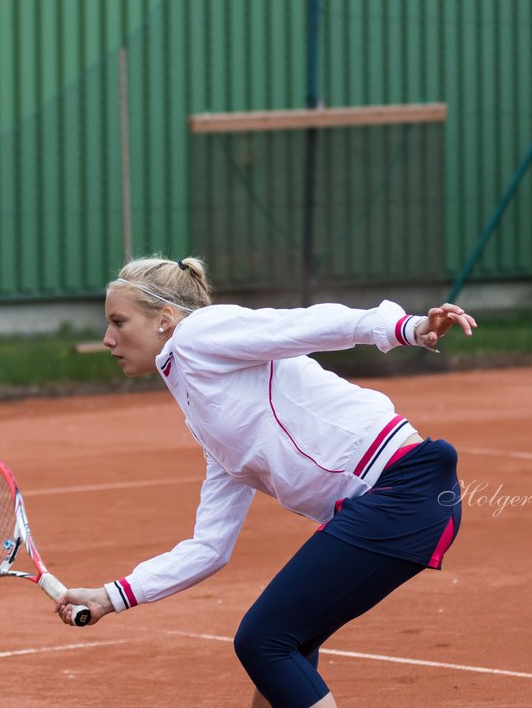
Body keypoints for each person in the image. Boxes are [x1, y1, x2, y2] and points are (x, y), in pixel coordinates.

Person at [57, 256, 477, 708]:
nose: (107, 339)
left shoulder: (200, 333)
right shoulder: (206, 414)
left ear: (165, 320)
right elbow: (209, 547)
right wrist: (109, 597)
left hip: (401, 491)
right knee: (285, 648)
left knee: (263, 642)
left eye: (119, 322)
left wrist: (406, 327)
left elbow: (306, 325)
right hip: (392, 502)